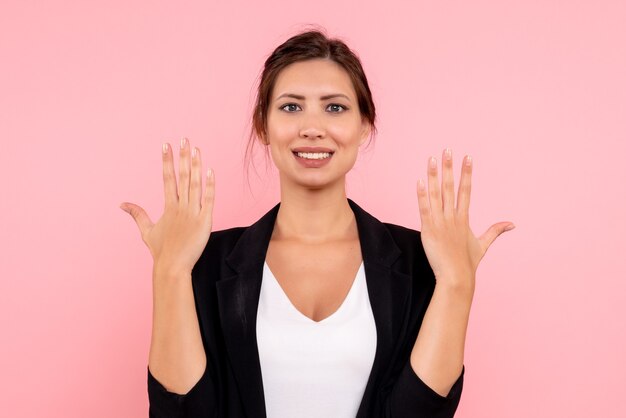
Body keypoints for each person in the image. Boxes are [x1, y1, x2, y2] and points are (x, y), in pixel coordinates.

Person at [120, 27, 514, 418]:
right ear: (263, 126)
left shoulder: (422, 260)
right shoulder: (207, 261)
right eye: (291, 107)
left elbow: (421, 412)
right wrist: (169, 270)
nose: (312, 127)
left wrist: (457, 282)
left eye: (335, 107)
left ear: (364, 126)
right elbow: (184, 413)